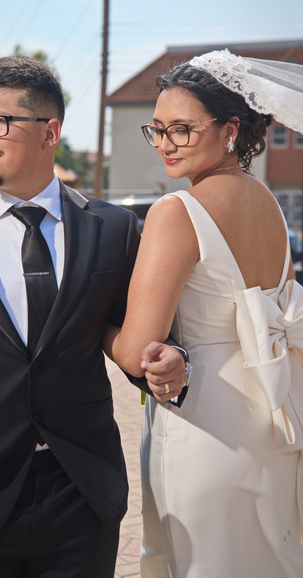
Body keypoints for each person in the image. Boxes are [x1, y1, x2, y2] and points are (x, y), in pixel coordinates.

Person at [0, 56, 188, 578]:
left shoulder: (114, 229)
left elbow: (140, 339)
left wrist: (171, 361)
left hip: (81, 498)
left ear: (50, 132)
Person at [104, 49, 303, 577]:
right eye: (156, 130)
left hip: (205, 421)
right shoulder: (270, 204)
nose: (165, 144)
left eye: (182, 130)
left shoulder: (177, 212)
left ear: (230, 130)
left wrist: (94, 320)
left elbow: (137, 351)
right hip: (270, 414)